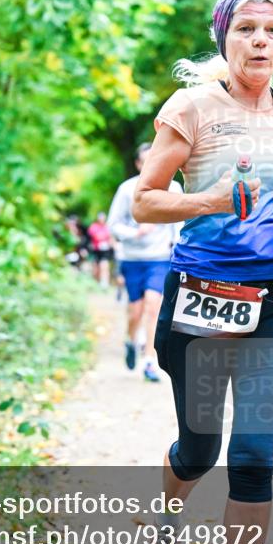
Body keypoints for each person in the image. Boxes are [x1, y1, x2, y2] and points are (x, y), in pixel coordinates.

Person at [132, 0, 273, 544]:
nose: (260, 40)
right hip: (203, 296)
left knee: (252, 454)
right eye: (246, 28)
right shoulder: (191, 108)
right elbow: (145, 201)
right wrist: (210, 201)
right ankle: (167, 519)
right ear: (225, 39)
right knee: (200, 449)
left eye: (272, 29)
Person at [107, 142, 183, 382]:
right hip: (132, 259)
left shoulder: (173, 187)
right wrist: (135, 233)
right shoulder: (127, 189)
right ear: (138, 164)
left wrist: (177, 247)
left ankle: (149, 361)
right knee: (135, 311)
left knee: (153, 306)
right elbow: (113, 225)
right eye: (145, 160)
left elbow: (179, 222)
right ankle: (131, 341)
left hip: (159, 258)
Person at [86, 211, 114, 286]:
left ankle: (105, 282)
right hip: (96, 250)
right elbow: (88, 238)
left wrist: (111, 244)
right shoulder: (93, 227)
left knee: (104, 265)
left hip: (106, 250)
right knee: (96, 268)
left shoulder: (108, 227)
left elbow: (111, 238)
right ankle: (96, 282)